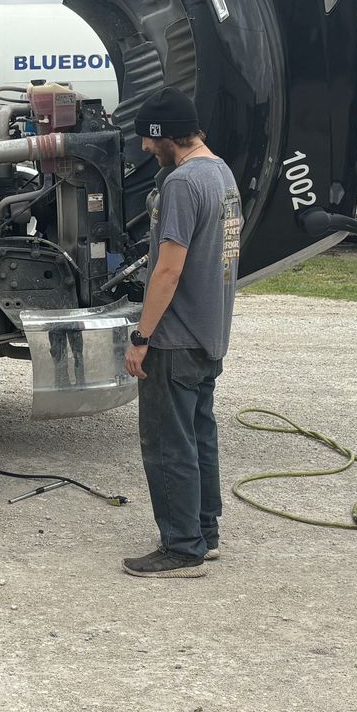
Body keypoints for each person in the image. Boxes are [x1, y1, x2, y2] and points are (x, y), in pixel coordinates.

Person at [121, 86, 243, 579]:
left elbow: (167, 271)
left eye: (149, 141)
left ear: (165, 135)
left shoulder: (181, 184)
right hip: (211, 332)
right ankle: (204, 533)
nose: (146, 150)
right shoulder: (222, 174)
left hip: (173, 338)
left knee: (168, 445)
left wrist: (141, 336)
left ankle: (182, 549)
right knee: (199, 436)